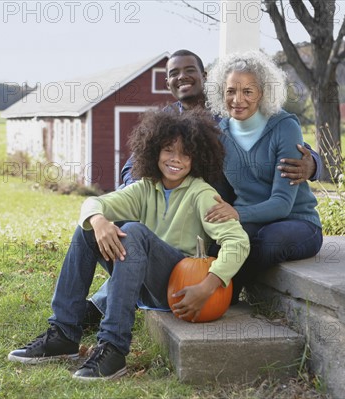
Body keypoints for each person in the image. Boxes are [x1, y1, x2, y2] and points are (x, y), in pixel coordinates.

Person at [82, 49, 323, 325]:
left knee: (236, 241)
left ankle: (213, 289)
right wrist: (150, 191)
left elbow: (295, 152)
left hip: (221, 211)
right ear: (168, 83)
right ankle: (106, 301)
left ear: (205, 78)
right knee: (123, 223)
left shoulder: (226, 119)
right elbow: (133, 166)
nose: (182, 77)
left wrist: (313, 164)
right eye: (174, 73)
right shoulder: (170, 120)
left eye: (190, 71)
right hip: (197, 211)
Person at [7, 110, 250, 380]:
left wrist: (209, 285)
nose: (176, 160)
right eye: (169, 150)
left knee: (133, 230)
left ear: (197, 158)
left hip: (182, 289)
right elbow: (94, 203)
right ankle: (63, 334)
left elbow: (237, 241)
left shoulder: (202, 194)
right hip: (141, 284)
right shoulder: (145, 188)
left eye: (185, 154)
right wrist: (98, 220)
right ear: (154, 151)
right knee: (86, 228)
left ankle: (113, 348)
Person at [203, 50, 323, 301]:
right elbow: (222, 195)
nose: (238, 99)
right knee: (219, 244)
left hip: (297, 222)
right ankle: (216, 297)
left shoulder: (284, 127)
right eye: (231, 91)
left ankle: (221, 297)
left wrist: (236, 213)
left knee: (268, 241)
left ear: (262, 93)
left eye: (248, 91)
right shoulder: (219, 136)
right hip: (249, 222)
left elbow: (281, 204)